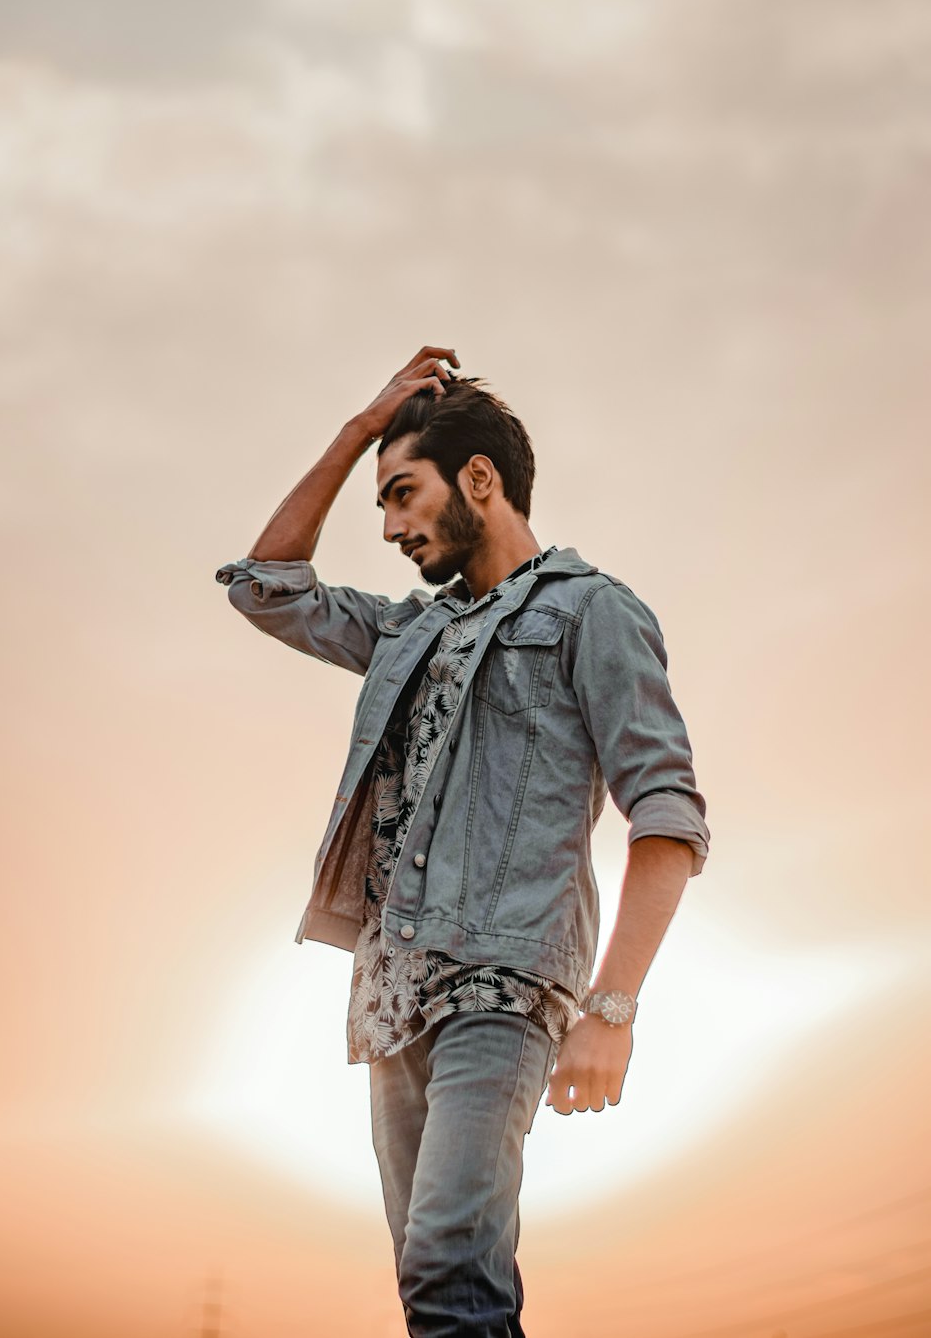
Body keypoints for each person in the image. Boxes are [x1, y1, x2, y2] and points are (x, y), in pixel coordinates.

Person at [215, 347, 711, 1338]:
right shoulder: (408, 631)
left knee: (449, 1268)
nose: (393, 528)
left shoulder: (590, 613)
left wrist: (610, 1007)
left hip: (504, 983)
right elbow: (265, 585)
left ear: (479, 479)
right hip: (389, 1001)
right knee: (438, 1296)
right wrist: (361, 429)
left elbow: (666, 813)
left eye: (403, 494)